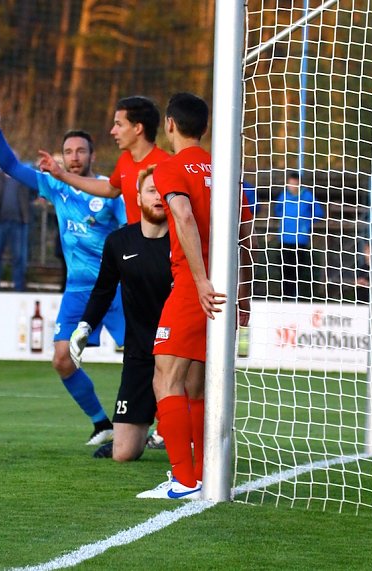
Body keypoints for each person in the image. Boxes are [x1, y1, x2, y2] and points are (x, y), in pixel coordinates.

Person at [0, 108, 127, 445]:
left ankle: (159, 427)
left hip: (116, 288)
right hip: (77, 291)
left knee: (146, 357)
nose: (74, 158)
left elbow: (131, 231)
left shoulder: (110, 191)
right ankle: (101, 424)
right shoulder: (56, 186)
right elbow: (11, 167)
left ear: (93, 155)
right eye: (68, 152)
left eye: (81, 151)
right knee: (63, 359)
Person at [138, 93, 252, 500]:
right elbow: (246, 237)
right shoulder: (227, 171)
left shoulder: (170, 167)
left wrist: (200, 281)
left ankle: (184, 480)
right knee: (198, 385)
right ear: (204, 127)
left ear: (169, 124)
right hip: (225, 285)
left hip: (193, 283)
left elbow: (183, 215)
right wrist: (244, 294)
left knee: (165, 377)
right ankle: (203, 476)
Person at [69, 166, 171, 462]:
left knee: (189, 440)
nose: (158, 196)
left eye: (164, 191)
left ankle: (178, 431)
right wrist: (85, 327)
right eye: (151, 190)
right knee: (124, 453)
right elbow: (103, 290)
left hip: (178, 354)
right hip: (139, 353)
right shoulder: (119, 242)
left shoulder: (184, 240)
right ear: (138, 197)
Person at [38, 95, 170, 224]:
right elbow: (110, 189)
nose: (113, 131)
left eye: (119, 124)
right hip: (135, 238)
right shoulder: (126, 159)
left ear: (137, 128)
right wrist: (61, 174)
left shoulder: (165, 166)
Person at [0, 168, 36, 291]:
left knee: (18, 256)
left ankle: (19, 287)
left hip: (19, 222)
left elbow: (34, 192)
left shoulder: (23, 177)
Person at [274, 171, 324, 300]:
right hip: (285, 238)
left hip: (300, 240)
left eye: (295, 184)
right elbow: (277, 211)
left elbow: (318, 213)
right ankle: (285, 297)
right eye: (290, 184)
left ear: (299, 184)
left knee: (298, 270)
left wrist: (305, 223)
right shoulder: (283, 196)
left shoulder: (307, 196)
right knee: (285, 270)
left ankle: (298, 297)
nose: (292, 187)